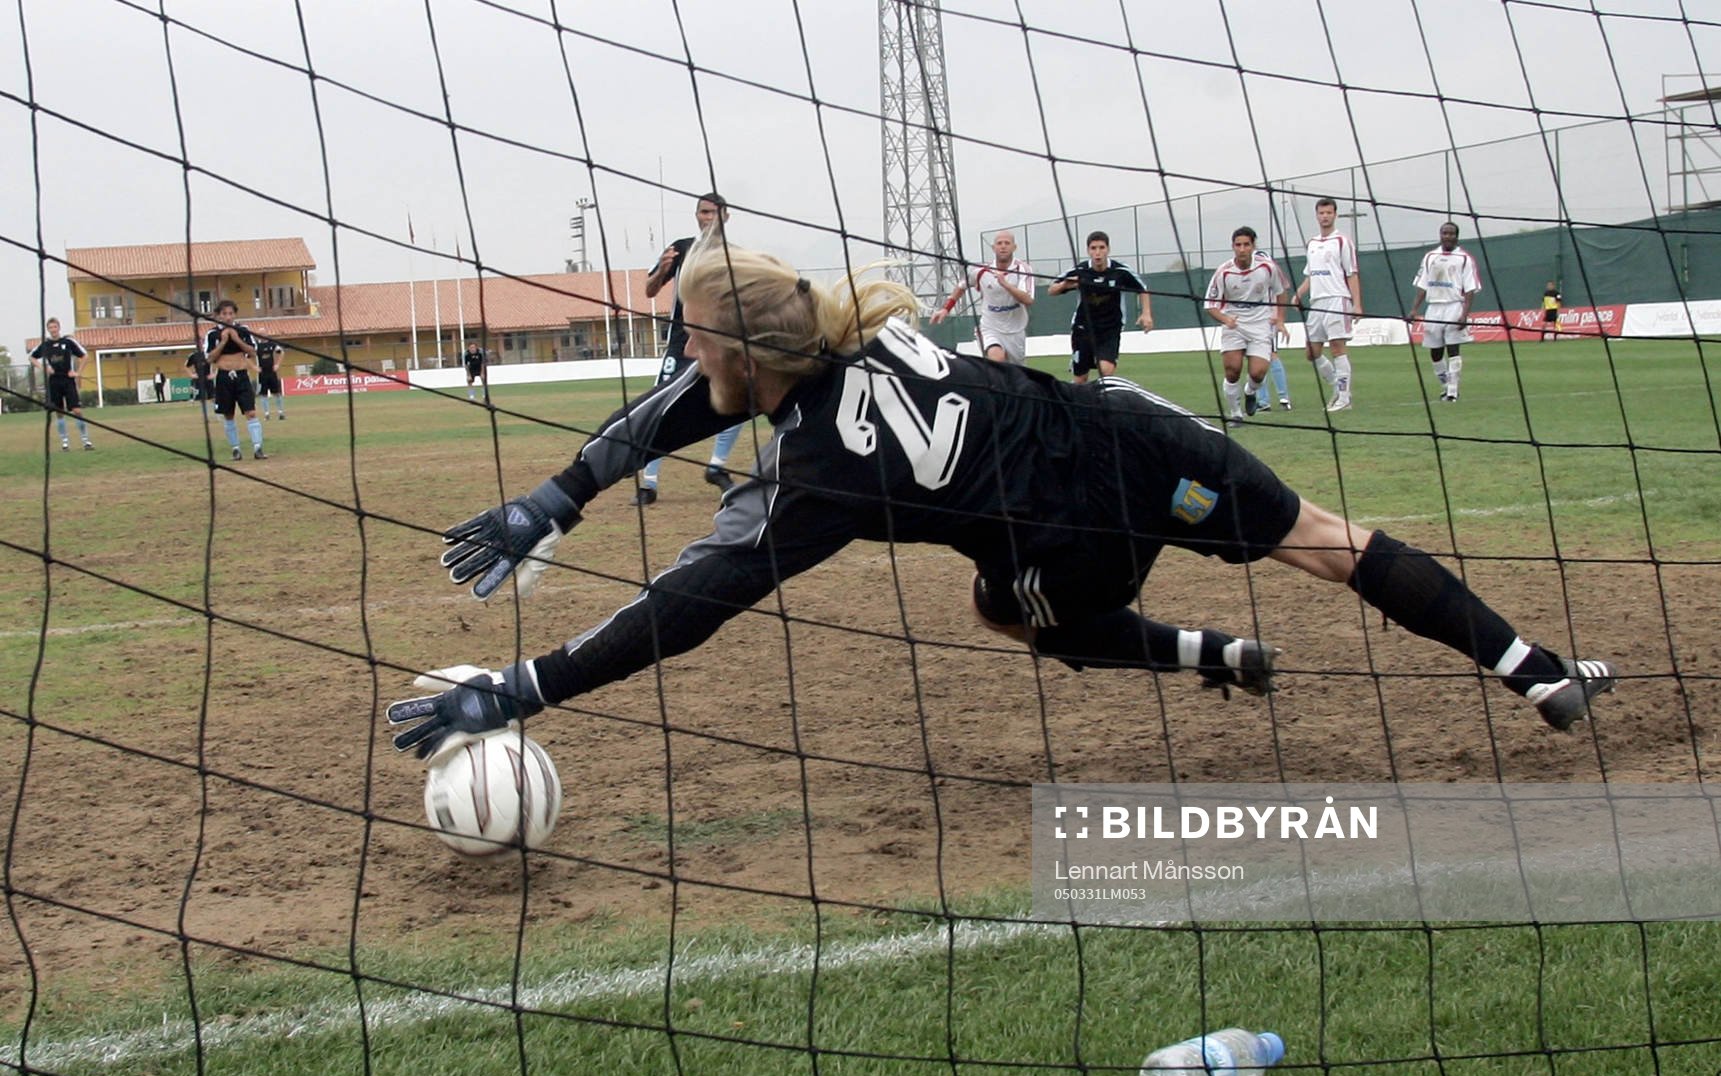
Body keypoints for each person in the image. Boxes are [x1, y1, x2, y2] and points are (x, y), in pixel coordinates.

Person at [386, 233, 1619, 767]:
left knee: (1020, 616)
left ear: (746, 360)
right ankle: (1535, 668)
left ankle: (1199, 650)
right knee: (1326, 543)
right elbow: (686, 406)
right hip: (1137, 432)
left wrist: (525, 686)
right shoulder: (843, 329)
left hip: (1062, 533)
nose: (687, 364)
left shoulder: (815, 469)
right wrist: (560, 491)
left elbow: (694, 598)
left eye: (694, 345)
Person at [633, 192, 737, 506]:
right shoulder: (682, 248)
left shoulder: (735, 257)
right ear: (696, 215)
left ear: (726, 216)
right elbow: (650, 290)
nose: (708, 218)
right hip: (682, 341)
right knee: (660, 406)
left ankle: (717, 467)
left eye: (714, 212)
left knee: (739, 402)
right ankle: (648, 484)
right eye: (703, 212)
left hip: (720, 341)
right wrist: (663, 270)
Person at [1204, 228, 1289, 423]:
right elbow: (1210, 304)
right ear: (1233, 247)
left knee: (1258, 372)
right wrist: (1226, 320)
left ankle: (1250, 391)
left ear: (1253, 246)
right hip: (1234, 323)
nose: (1242, 249)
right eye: (1238, 245)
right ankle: (1235, 414)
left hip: (1260, 323)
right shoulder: (1223, 271)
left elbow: (1281, 291)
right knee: (1232, 370)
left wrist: (1280, 319)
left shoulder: (1268, 267)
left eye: (1246, 245)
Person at [1047, 231, 1152, 383]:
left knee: (1106, 370)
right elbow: (1051, 290)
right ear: (1088, 251)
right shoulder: (1080, 270)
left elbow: (1143, 289)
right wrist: (1066, 284)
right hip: (1083, 329)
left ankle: (1099, 402)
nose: (1098, 253)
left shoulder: (1120, 272)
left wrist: (1146, 313)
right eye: (1093, 248)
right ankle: (1079, 402)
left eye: (1101, 248)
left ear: (1108, 249)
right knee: (1080, 379)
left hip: (1110, 328)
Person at [1291, 197, 1361, 411]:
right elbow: (1311, 275)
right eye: (1321, 213)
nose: (1325, 216)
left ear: (1335, 214)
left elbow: (1352, 274)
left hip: (1337, 299)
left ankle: (1344, 398)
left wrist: (1357, 304)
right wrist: (1298, 294)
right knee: (1311, 352)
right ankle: (1337, 388)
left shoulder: (1342, 241)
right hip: (1317, 302)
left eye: (1329, 212)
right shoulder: (1312, 243)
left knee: (1338, 348)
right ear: (1317, 215)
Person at [929, 230, 1035, 364]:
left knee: (1016, 372)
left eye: (1007, 243)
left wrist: (1006, 285)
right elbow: (961, 286)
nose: (1003, 246)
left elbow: (1028, 300)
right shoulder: (981, 271)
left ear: (1014, 247)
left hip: (1015, 330)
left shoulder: (1023, 269)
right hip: (990, 327)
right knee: (997, 359)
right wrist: (946, 309)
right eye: (999, 243)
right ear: (993, 247)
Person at [1405, 222, 1482, 403]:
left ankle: (1453, 392)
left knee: (1453, 350)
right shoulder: (1430, 256)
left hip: (1454, 306)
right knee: (1435, 353)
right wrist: (1414, 309)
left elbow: (1470, 289)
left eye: (1451, 233)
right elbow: (1422, 285)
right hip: (1434, 308)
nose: (1447, 236)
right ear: (1440, 235)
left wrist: (1465, 314)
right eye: (1444, 233)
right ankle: (1445, 386)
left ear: (1457, 236)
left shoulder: (1465, 258)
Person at [204, 300, 266, 460]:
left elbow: (253, 352)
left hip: (242, 375)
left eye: (231, 313)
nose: (228, 317)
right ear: (218, 315)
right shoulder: (212, 334)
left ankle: (258, 447)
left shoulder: (243, 330)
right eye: (224, 314)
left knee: (251, 412)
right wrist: (224, 341)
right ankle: (236, 449)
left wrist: (236, 338)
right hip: (224, 377)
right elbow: (210, 358)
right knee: (228, 414)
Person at [29, 318, 92, 451]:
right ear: (48, 329)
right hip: (54, 382)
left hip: (68, 380)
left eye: (55, 327)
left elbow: (85, 356)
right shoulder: (45, 345)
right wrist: (43, 368)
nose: (53, 330)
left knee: (77, 411)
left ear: (59, 327)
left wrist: (77, 373)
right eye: (50, 327)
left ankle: (86, 441)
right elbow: (32, 357)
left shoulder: (68, 342)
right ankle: (65, 442)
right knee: (59, 412)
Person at [254, 335, 287, 420]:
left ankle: (281, 413)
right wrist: (254, 367)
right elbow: (247, 356)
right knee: (263, 394)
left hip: (272, 373)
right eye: (260, 334)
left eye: (263, 334)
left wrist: (277, 364)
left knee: (277, 393)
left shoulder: (272, 344)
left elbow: (281, 352)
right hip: (262, 374)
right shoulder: (256, 345)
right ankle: (266, 414)